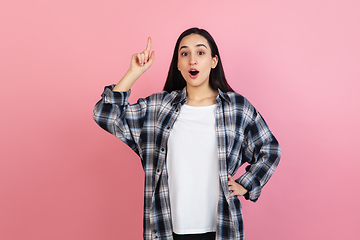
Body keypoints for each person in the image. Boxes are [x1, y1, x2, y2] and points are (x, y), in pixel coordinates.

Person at [93, 27, 281, 240]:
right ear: (178, 64)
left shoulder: (236, 107)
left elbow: (269, 148)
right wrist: (133, 73)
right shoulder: (158, 107)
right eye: (185, 54)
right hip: (167, 228)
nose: (192, 60)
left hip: (221, 228)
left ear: (213, 61)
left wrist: (246, 185)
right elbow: (105, 114)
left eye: (200, 53)